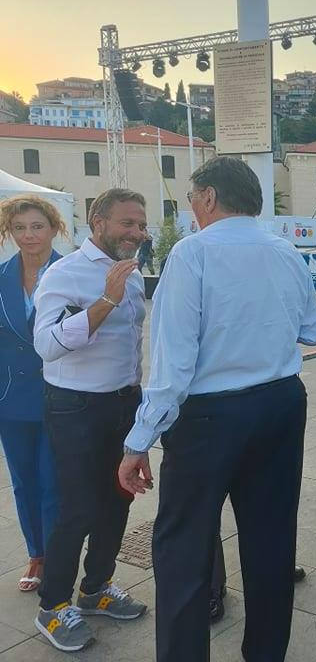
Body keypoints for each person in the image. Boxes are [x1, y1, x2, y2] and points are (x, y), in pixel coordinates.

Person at [116, 157, 316, 662]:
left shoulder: (193, 253)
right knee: (272, 540)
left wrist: (139, 440)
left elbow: (172, 365)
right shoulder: (286, 252)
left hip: (210, 417)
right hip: (279, 404)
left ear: (208, 197)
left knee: (183, 549)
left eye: (192, 198)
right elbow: (313, 330)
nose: (192, 207)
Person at [32, 188, 149, 652]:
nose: (137, 232)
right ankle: (52, 606)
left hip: (124, 403)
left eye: (141, 225)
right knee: (78, 506)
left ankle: (96, 589)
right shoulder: (64, 273)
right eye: (128, 223)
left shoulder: (130, 273)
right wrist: (105, 301)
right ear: (98, 222)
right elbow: (47, 345)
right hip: (75, 407)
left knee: (118, 499)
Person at [0, 196, 65, 594]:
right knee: (24, 482)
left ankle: (56, 556)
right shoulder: (1, 276)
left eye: (37, 226)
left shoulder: (70, 273)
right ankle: (37, 554)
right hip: (10, 399)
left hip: (59, 396)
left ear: (53, 228)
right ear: (9, 232)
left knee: (52, 481)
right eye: (19, 227)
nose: (29, 235)